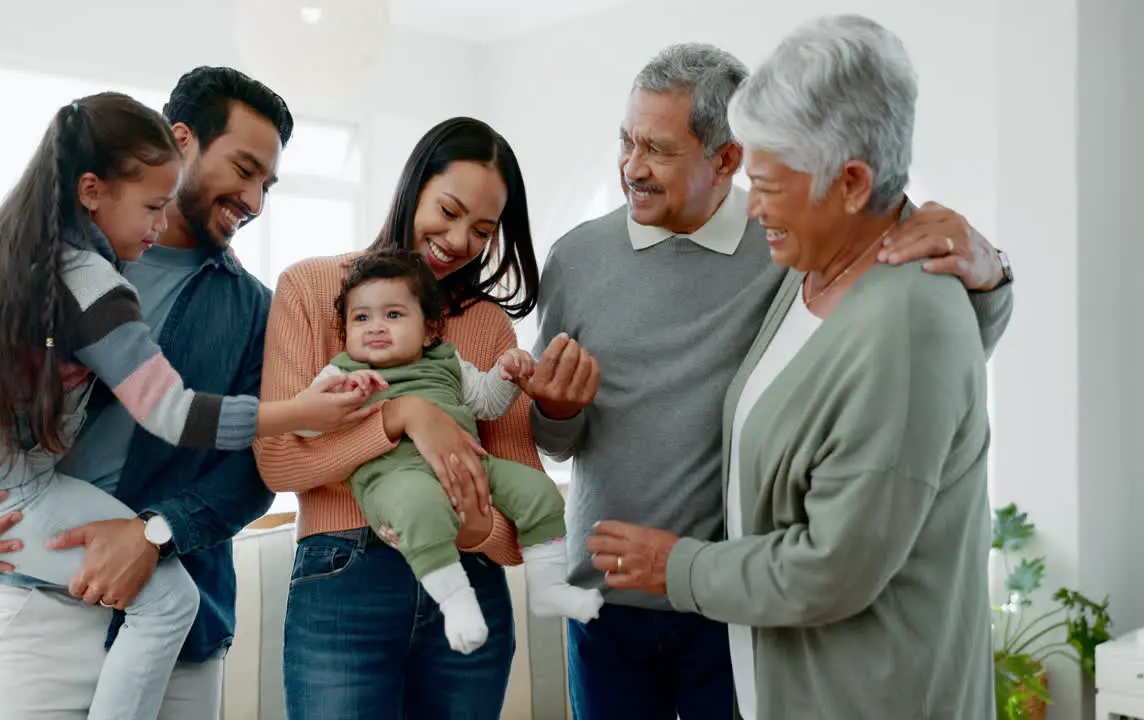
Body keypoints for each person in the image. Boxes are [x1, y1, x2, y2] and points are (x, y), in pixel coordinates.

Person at [526, 42, 1015, 720]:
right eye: (626, 141)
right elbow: (553, 437)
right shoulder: (577, 258)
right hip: (606, 598)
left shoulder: (790, 244)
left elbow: (912, 354)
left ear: (724, 161)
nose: (632, 167)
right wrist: (553, 409)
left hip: (732, 598)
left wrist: (990, 276)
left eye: (660, 150)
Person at [0, 67, 343, 719]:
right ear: (181, 142)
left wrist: (153, 536)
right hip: (38, 610)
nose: (255, 200)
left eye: (268, 184)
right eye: (244, 169)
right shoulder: (38, 266)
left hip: (181, 636)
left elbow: (258, 468)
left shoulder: (258, 313)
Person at [254, 117, 543, 719]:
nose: (460, 239)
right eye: (449, 209)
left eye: (483, 230)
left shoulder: (487, 325)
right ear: (414, 187)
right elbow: (279, 460)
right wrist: (399, 417)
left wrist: (474, 532)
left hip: (469, 581)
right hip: (344, 578)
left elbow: (519, 507)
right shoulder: (311, 289)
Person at [293, 248, 601, 655]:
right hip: (394, 479)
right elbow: (304, 422)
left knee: (538, 492)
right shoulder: (344, 371)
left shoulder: (448, 361)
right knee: (421, 509)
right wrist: (328, 399)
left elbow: (487, 404)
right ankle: (457, 603)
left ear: (429, 330)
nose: (375, 327)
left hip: (474, 466)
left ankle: (548, 587)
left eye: (394, 315)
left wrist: (507, 373)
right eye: (361, 318)